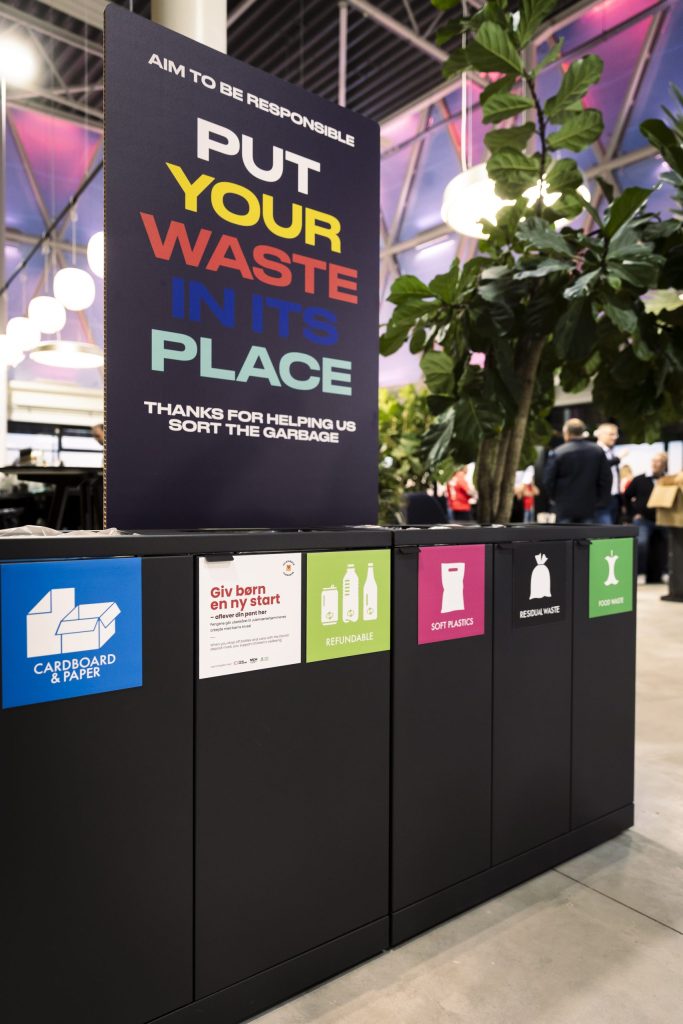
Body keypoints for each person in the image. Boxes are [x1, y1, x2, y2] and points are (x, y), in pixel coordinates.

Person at [544, 418, 613, 524]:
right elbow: (606, 478)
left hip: (564, 507)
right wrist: (601, 501)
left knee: (565, 534)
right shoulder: (597, 451)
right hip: (590, 506)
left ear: (566, 433)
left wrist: (555, 498)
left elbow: (548, 480)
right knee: (587, 534)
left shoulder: (558, 452)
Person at [624, 452, 669, 582]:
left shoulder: (667, 481)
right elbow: (626, 496)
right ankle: (639, 573)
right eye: (653, 461)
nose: (655, 464)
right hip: (643, 519)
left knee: (670, 543)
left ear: (664, 464)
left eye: (658, 461)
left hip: (663, 519)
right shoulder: (640, 479)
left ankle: (666, 572)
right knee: (641, 543)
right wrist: (632, 514)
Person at [594, 422, 622, 524]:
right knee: (605, 531)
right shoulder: (594, 451)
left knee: (611, 530)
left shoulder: (610, 452)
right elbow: (598, 468)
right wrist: (617, 459)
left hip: (614, 498)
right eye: (611, 434)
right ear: (600, 434)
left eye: (616, 434)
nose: (614, 437)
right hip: (600, 500)